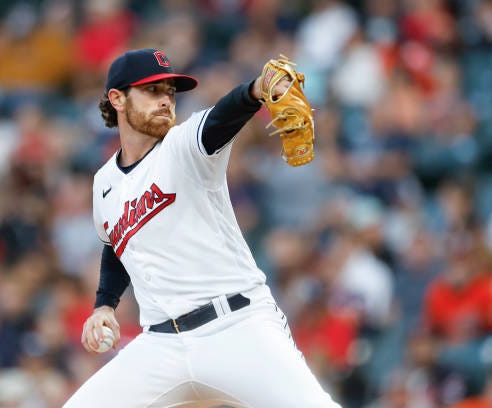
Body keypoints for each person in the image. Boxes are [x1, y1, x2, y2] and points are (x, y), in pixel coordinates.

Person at [63, 48, 342, 407]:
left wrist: (255, 90)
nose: (165, 100)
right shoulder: (105, 183)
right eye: (152, 91)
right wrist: (104, 305)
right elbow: (117, 243)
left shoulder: (183, 146)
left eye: (169, 92)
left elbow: (218, 121)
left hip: (236, 328)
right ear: (117, 98)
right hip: (161, 345)